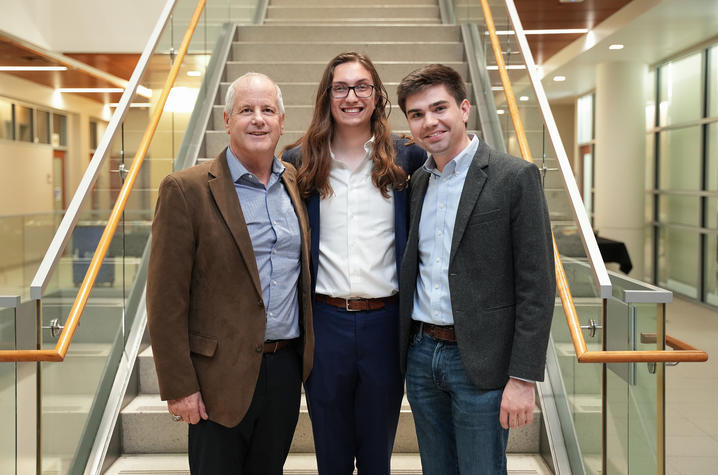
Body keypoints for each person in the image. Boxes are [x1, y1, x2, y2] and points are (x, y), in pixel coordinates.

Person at [146, 72, 313, 475]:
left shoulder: (292, 181)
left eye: (267, 110)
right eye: (246, 110)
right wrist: (179, 386)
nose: (258, 119)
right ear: (226, 120)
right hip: (217, 376)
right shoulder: (186, 190)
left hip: (284, 369)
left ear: (281, 121)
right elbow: (165, 300)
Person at [396, 64, 555, 474]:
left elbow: (537, 286)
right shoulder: (418, 183)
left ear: (464, 108)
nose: (429, 122)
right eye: (416, 114)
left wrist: (523, 378)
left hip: (482, 363)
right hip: (422, 355)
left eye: (439, 108)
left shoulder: (514, 177)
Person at [282, 52, 426, 474]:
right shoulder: (298, 161)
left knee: (378, 450)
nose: (352, 96)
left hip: (386, 321)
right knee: (330, 448)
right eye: (341, 87)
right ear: (327, 96)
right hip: (325, 323)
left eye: (362, 86)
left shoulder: (406, 159)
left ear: (377, 95)